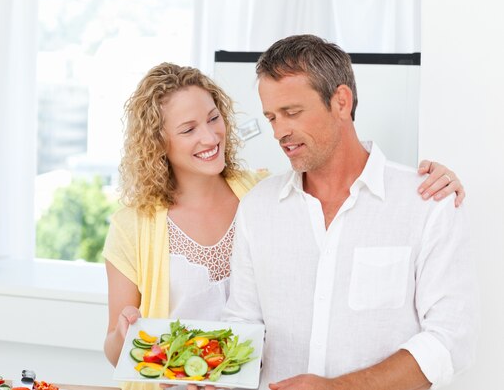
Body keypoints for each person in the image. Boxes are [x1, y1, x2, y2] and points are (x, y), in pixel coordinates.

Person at [102, 62, 465, 389]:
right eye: (188, 129)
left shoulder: (263, 194)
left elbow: (450, 337)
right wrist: (132, 339)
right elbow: (123, 347)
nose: (210, 137)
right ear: (158, 143)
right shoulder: (135, 226)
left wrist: (435, 183)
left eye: (214, 119)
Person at [223, 35, 478, 390]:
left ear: (341, 101)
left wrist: (339, 387)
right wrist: (213, 373)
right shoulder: (257, 207)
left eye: (292, 113)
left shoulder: (427, 202)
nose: (280, 131)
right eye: (271, 117)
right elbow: (243, 325)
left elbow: (450, 340)